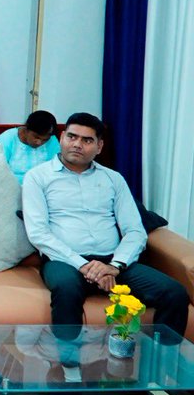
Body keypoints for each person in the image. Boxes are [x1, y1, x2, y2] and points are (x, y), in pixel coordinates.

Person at [23, 113, 189, 353]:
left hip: (113, 262)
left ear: (99, 146)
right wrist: (83, 265)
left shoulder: (113, 179)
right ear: (61, 138)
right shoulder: (38, 177)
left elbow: (134, 231)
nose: (77, 144)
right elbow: (38, 233)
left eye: (87, 140)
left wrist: (116, 265)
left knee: (174, 293)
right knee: (66, 289)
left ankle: (158, 370)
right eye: (72, 136)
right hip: (65, 261)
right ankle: (68, 371)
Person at [0, 110, 60, 183]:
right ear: (26, 129)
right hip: (10, 187)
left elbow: (57, 168)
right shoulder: (6, 140)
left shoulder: (52, 140)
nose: (39, 142)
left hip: (43, 186)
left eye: (45, 140)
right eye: (36, 137)